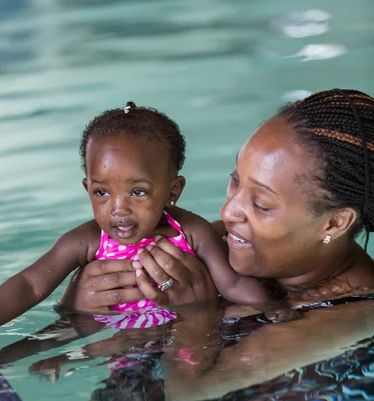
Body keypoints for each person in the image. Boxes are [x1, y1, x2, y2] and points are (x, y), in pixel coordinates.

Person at [0, 102, 271, 347]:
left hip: (186, 346)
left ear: (172, 191)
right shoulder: (86, 240)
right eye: (101, 192)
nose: (119, 209)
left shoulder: (192, 231)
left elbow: (232, 284)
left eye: (138, 192)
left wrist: (274, 315)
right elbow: (30, 283)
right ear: (86, 187)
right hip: (120, 351)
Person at [62, 88, 374, 313]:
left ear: (334, 222)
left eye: (261, 204)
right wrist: (79, 299)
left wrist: (195, 315)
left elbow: (191, 396)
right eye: (235, 180)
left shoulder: (347, 314)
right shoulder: (224, 241)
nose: (227, 211)